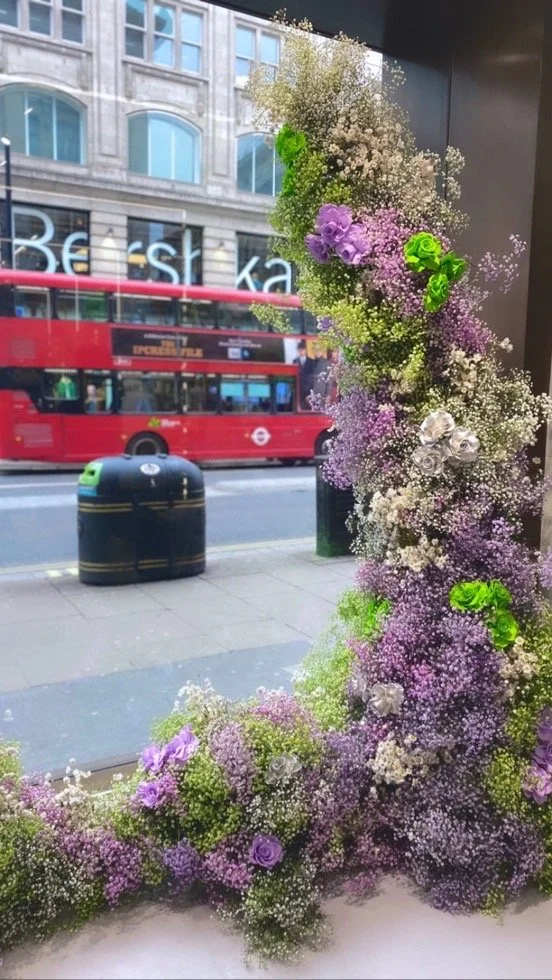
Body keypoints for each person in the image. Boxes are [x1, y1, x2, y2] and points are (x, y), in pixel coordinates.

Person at [293, 340, 316, 410]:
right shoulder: (295, 361)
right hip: (299, 389)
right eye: (299, 350)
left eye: (302, 350)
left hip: (309, 389)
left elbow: (313, 377)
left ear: (305, 350)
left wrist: (312, 389)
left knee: (309, 407)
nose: (301, 351)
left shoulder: (311, 361)